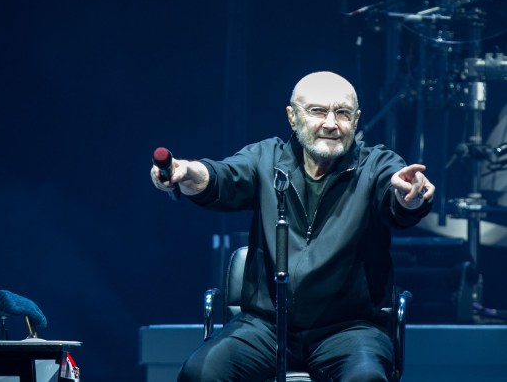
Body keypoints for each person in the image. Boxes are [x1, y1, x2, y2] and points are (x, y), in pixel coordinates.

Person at [150, 71, 435, 382]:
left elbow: (396, 196)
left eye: (342, 113)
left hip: (349, 328)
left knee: (365, 379)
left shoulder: (376, 164)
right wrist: (188, 171)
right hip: (265, 326)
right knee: (200, 373)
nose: (331, 123)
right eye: (317, 111)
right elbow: (222, 178)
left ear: (356, 121)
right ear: (292, 117)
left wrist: (410, 199)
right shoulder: (265, 158)